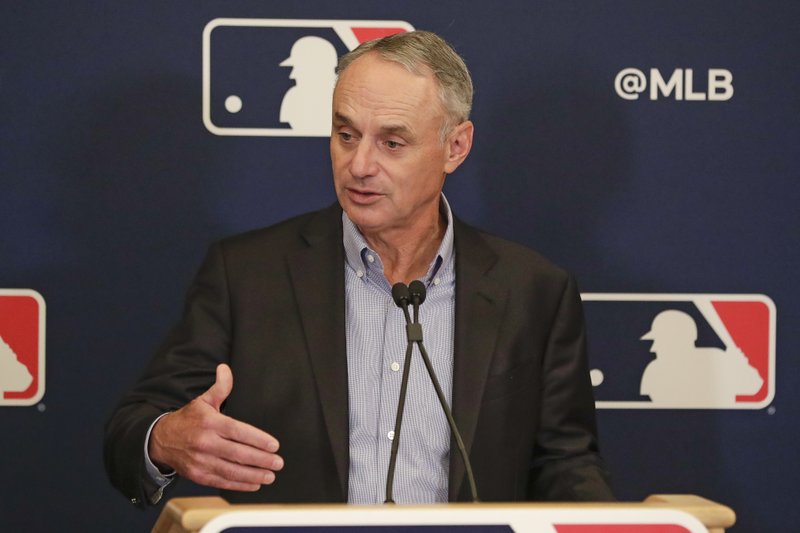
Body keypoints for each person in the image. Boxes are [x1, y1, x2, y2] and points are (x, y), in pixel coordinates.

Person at [104, 30, 613, 508]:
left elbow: (565, 463)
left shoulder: (534, 290)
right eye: (346, 134)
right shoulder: (246, 275)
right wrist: (165, 439)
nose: (360, 165)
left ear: (455, 147)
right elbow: (131, 433)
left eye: (392, 143)